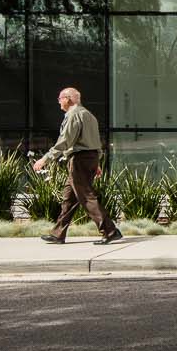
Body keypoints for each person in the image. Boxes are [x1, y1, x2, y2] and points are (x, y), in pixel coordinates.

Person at [34, 85, 121, 244]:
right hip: (90, 158)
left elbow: (65, 141)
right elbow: (96, 142)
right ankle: (58, 234)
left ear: (68, 99)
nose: (59, 102)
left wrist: (45, 159)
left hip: (79, 160)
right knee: (69, 197)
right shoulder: (89, 115)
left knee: (86, 196)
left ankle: (110, 231)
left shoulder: (73, 115)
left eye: (60, 98)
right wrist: (97, 163)